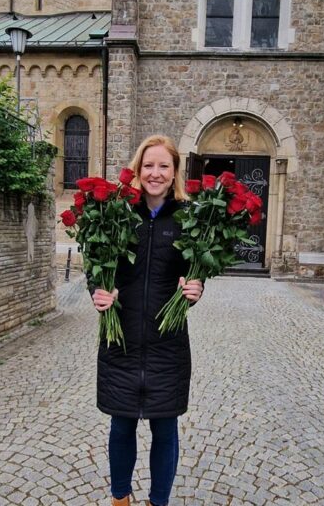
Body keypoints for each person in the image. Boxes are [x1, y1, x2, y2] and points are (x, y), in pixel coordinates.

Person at [91, 135, 204, 506]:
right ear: (138, 171)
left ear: (175, 174)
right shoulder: (118, 213)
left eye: (164, 166)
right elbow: (96, 263)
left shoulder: (189, 220)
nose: (155, 173)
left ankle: (159, 502)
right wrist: (99, 289)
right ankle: (120, 499)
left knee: (165, 428)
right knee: (121, 425)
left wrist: (197, 286)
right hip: (121, 338)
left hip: (167, 343)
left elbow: (195, 269)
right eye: (148, 165)